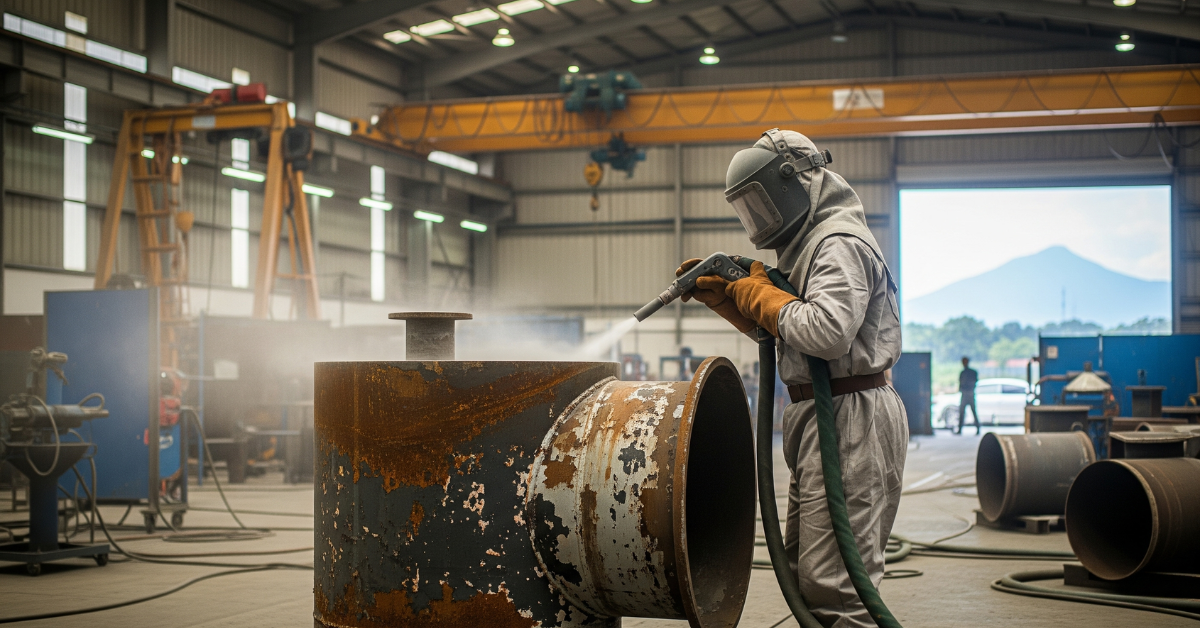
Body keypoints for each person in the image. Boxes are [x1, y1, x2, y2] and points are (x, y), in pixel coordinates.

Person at [677, 128, 906, 628]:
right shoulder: (806, 247)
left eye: (761, 204)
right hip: (820, 415)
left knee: (838, 583)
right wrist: (736, 299)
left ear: (793, 182)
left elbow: (826, 332)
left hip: (850, 415)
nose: (758, 220)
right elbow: (793, 329)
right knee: (809, 570)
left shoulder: (837, 244)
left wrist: (756, 294)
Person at [957, 356, 980, 435]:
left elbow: (974, 382)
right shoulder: (964, 373)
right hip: (966, 393)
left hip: (969, 393)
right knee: (962, 412)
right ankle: (960, 429)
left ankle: (977, 428)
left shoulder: (971, 372)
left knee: (972, 411)